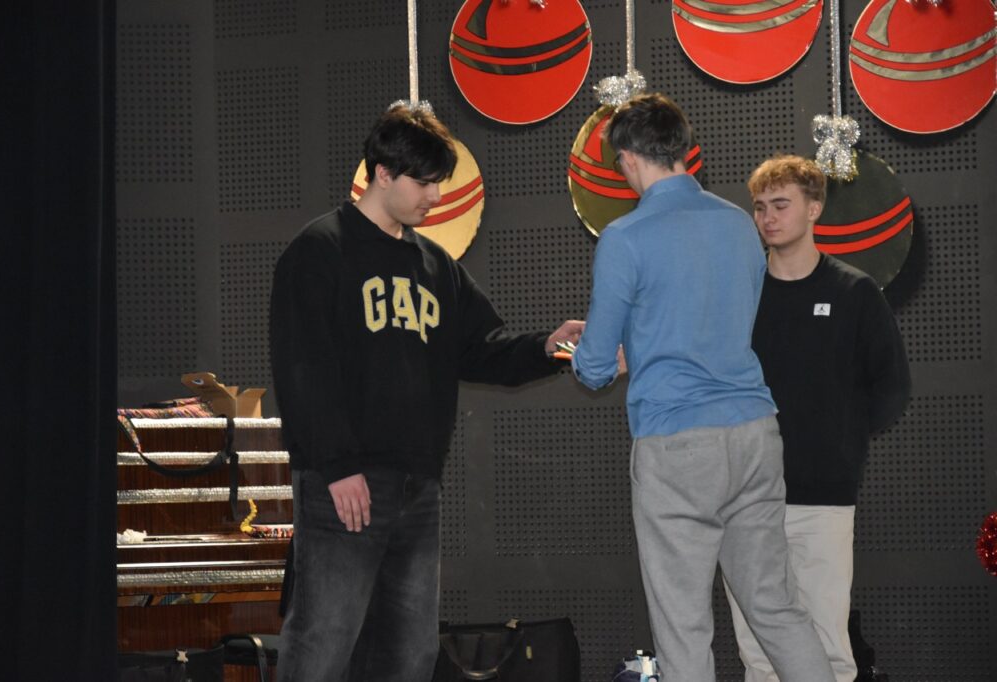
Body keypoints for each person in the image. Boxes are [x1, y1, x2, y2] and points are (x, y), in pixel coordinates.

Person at [268, 103, 584, 682]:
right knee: (322, 644)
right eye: (424, 182)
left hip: (418, 486)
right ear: (382, 173)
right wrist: (338, 467)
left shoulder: (435, 265)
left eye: (439, 182)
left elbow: (483, 348)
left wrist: (548, 347)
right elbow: (303, 369)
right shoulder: (319, 250)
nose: (435, 197)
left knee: (410, 654)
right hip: (346, 483)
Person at [570, 93, 834, 681]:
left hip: (676, 442)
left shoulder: (625, 237)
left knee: (683, 624)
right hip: (754, 431)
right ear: (682, 149)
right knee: (776, 607)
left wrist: (598, 359)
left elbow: (595, 365)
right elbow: (726, 318)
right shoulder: (739, 223)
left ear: (628, 158)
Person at [724, 155, 910, 682]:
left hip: (824, 498)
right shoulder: (739, 295)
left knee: (829, 646)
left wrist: (839, 441)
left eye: (780, 205)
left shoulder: (853, 292)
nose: (768, 217)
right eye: (760, 207)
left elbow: (892, 386)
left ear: (814, 208)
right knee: (758, 655)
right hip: (746, 497)